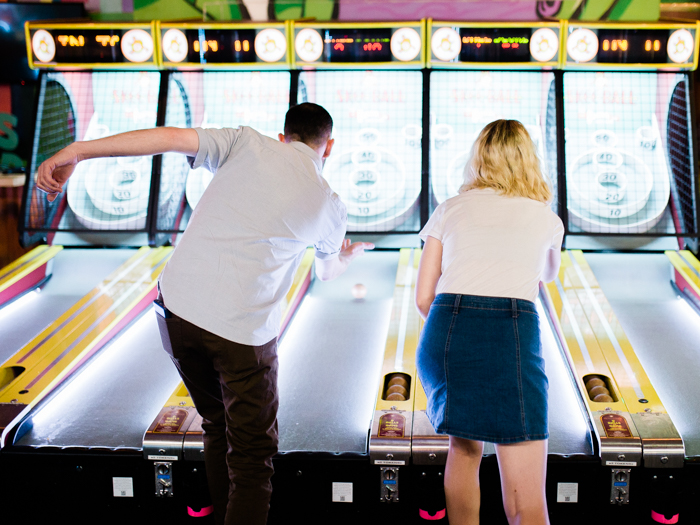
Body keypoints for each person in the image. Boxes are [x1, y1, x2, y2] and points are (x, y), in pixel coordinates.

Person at [36, 102, 373, 525]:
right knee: (252, 460)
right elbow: (326, 272)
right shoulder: (329, 204)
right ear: (330, 147)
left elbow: (168, 137)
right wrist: (347, 255)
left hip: (175, 313)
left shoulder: (246, 141)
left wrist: (78, 151)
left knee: (216, 421)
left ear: (283, 136)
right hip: (241, 337)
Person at [414, 119, 563, 525]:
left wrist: (459, 329)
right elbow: (547, 275)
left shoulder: (449, 208)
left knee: (464, 449)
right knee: (526, 502)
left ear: (477, 157)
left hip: (446, 330)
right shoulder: (546, 219)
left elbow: (424, 297)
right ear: (528, 160)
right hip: (510, 333)